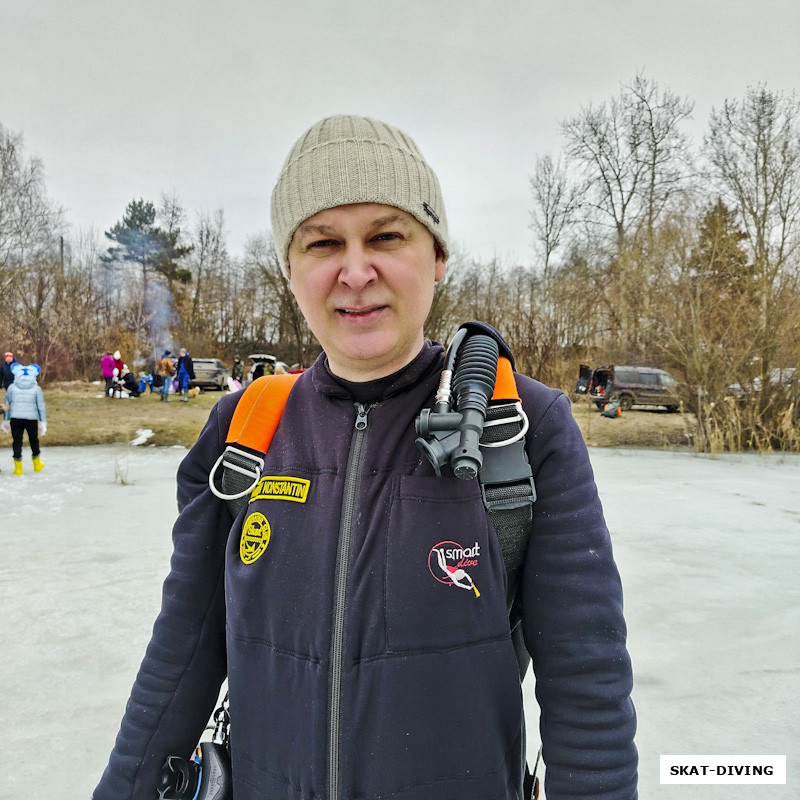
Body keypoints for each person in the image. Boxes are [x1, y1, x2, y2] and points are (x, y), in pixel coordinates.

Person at [93, 115, 637, 800]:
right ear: (291, 271)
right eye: (323, 242)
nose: (355, 271)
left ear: (437, 257)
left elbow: (588, 689)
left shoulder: (525, 430)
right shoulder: (244, 429)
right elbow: (181, 657)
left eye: (386, 236)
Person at [2, 363, 46, 475]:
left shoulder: (11, 387)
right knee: (34, 440)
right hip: (31, 419)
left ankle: (18, 468)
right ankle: (36, 464)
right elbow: (40, 406)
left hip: (15, 418)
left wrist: (5, 421)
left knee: (17, 442)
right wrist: (42, 422)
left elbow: (7, 405)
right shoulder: (37, 389)